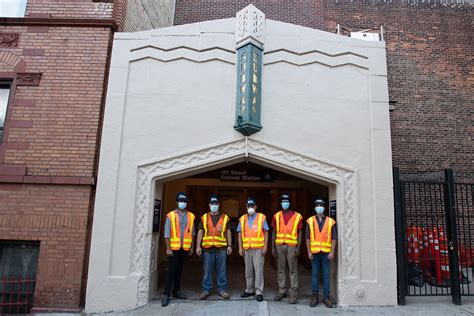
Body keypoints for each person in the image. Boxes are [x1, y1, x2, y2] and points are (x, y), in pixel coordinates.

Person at [161, 192, 195, 307]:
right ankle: (166, 294)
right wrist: (168, 248)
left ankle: (176, 291)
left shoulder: (191, 216)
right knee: (171, 270)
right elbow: (166, 233)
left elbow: (192, 234)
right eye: (180, 201)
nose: (182, 203)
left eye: (184, 201)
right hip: (173, 249)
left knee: (179, 270)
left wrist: (191, 248)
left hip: (185, 248)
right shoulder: (170, 215)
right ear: (177, 202)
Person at [195, 194, 232, 300]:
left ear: (219, 205)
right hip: (207, 249)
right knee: (207, 271)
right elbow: (200, 232)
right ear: (209, 205)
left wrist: (229, 245)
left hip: (221, 248)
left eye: (216, 203)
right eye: (212, 204)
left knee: (222, 270)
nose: (214, 205)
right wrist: (198, 246)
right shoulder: (204, 217)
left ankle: (222, 290)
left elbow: (228, 232)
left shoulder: (225, 217)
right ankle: (206, 290)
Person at [271, 193, 303, 304]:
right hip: (279, 245)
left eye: (286, 201)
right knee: (280, 269)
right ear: (281, 203)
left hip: (292, 246)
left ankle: (293, 293)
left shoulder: (297, 216)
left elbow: (300, 232)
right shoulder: (277, 216)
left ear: (290, 203)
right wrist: (273, 247)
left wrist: (298, 248)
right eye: (283, 202)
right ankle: (282, 291)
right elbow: (274, 231)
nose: (285, 203)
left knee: (293, 270)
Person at [306, 198, 337, 308]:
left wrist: (332, 252)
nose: (319, 207)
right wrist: (309, 252)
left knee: (326, 275)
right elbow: (308, 238)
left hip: (326, 253)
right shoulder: (310, 221)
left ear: (324, 208)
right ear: (315, 208)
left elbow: (334, 238)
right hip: (314, 252)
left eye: (321, 205)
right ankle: (315, 296)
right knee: (314, 275)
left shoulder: (330, 221)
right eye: (317, 205)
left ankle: (326, 297)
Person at [237, 197, 269, 302]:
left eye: (252, 206)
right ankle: (249, 290)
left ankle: (259, 291)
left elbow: (266, 232)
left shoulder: (261, 217)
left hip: (259, 248)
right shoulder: (242, 219)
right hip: (247, 249)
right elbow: (239, 233)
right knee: (248, 270)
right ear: (246, 207)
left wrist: (265, 247)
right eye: (248, 206)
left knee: (258, 270)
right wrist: (240, 247)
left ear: (255, 207)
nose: (250, 208)